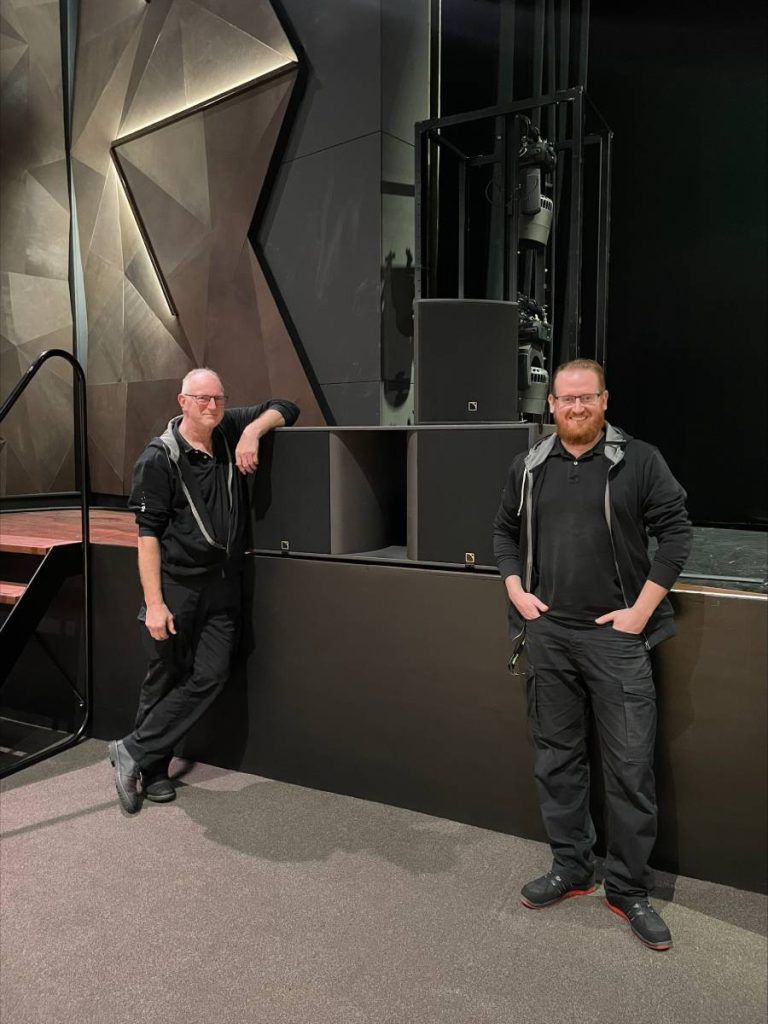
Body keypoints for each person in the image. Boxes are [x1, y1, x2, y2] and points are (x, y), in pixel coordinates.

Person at [492, 358, 691, 951]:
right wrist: (515, 591)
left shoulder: (640, 461)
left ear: (605, 401)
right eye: (566, 399)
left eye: (587, 398)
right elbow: (503, 532)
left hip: (618, 640)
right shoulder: (529, 466)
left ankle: (628, 889)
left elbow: (677, 533)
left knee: (630, 770)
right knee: (557, 759)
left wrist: (640, 612)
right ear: (549, 405)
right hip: (550, 635)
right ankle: (571, 869)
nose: (576, 408)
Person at [108, 368, 299, 814]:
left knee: (211, 674)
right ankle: (151, 769)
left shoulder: (228, 429)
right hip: (177, 586)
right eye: (202, 399)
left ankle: (132, 749)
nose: (211, 406)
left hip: (223, 586)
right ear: (182, 401)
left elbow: (286, 406)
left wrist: (252, 429)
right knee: (164, 675)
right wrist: (154, 604)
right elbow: (148, 536)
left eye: (218, 398)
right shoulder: (158, 458)